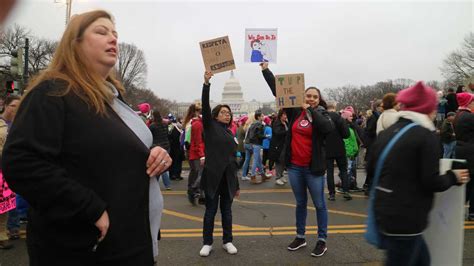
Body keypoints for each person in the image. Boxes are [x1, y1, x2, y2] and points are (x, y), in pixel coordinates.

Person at [2, 10, 171, 264]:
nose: (113, 39)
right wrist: (88, 208)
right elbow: (22, 163)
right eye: (101, 32)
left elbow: (112, 154)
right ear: (75, 43)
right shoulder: (53, 92)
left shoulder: (113, 98)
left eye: (115, 33)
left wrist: (156, 153)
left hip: (131, 240)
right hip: (83, 247)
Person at [367, 81, 470, 266]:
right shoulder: (425, 136)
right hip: (408, 218)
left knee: (422, 260)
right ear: (428, 109)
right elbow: (431, 181)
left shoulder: (388, 132)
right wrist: (453, 177)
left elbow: (371, 168)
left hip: (384, 211)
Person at [261, 63, 334, 257]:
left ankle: (322, 240)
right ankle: (300, 236)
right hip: (295, 167)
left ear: (319, 100)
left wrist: (310, 110)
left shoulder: (323, 114)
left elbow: (327, 128)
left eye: (314, 96)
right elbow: (279, 91)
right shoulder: (294, 112)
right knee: (300, 203)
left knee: (319, 204)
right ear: (302, 96)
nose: (310, 98)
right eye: (308, 95)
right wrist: (265, 71)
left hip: (314, 168)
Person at [199, 71, 240, 257]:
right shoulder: (210, 127)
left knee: (227, 212)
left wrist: (237, 184)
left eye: (228, 113)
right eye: (223, 112)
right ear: (215, 116)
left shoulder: (231, 133)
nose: (227, 115)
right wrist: (206, 83)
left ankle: (227, 240)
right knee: (210, 212)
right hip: (213, 175)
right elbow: (205, 107)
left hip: (228, 177)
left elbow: (233, 160)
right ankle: (207, 242)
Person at [0, 95, 20, 250]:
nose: (15, 109)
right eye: (13, 105)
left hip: (9, 169)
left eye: (18, 106)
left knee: (6, 205)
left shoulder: (18, 125)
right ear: (5, 106)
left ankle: (4, 235)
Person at [453, 92, 474, 221]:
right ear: (468, 103)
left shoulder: (458, 115)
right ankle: (472, 212)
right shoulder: (469, 117)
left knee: (468, 182)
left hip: (462, 150)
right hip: (471, 151)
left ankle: (459, 208)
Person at [325, 101, 350, 201]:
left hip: (327, 148)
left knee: (329, 172)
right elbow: (346, 134)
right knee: (343, 170)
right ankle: (346, 191)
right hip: (339, 147)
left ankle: (331, 194)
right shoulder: (339, 118)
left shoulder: (323, 118)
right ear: (334, 107)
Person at [149, 109, 172, 190]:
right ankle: (167, 185)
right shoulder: (165, 124)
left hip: (157, 146)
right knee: (164, 166)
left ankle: (155, 184)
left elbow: (150, 136)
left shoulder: (152, 126)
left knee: (158, 166)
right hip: (166, 146)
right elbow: (167, 134)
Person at [248, 111, 269, 184]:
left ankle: (263, 175)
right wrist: (265, 136)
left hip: (253, 143)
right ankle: (253, 176)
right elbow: (259, 135)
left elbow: (250, 134)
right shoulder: (260, 124)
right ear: (258, 117)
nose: (263, 117)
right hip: (257, 143)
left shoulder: (252, 124)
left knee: (259, 160)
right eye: (262, 116)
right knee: (256, 160)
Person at [269, 109, 289, 185]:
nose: (286, 116)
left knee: (283, 161)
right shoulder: (277, 123)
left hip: (285, 144)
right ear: (281, 115)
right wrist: (287, 132)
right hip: (277, 145)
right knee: (279, 161)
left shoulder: (286, 122)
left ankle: (281, 175)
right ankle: (278, 177)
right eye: (284, 115)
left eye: (286, 115)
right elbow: (277, 133)